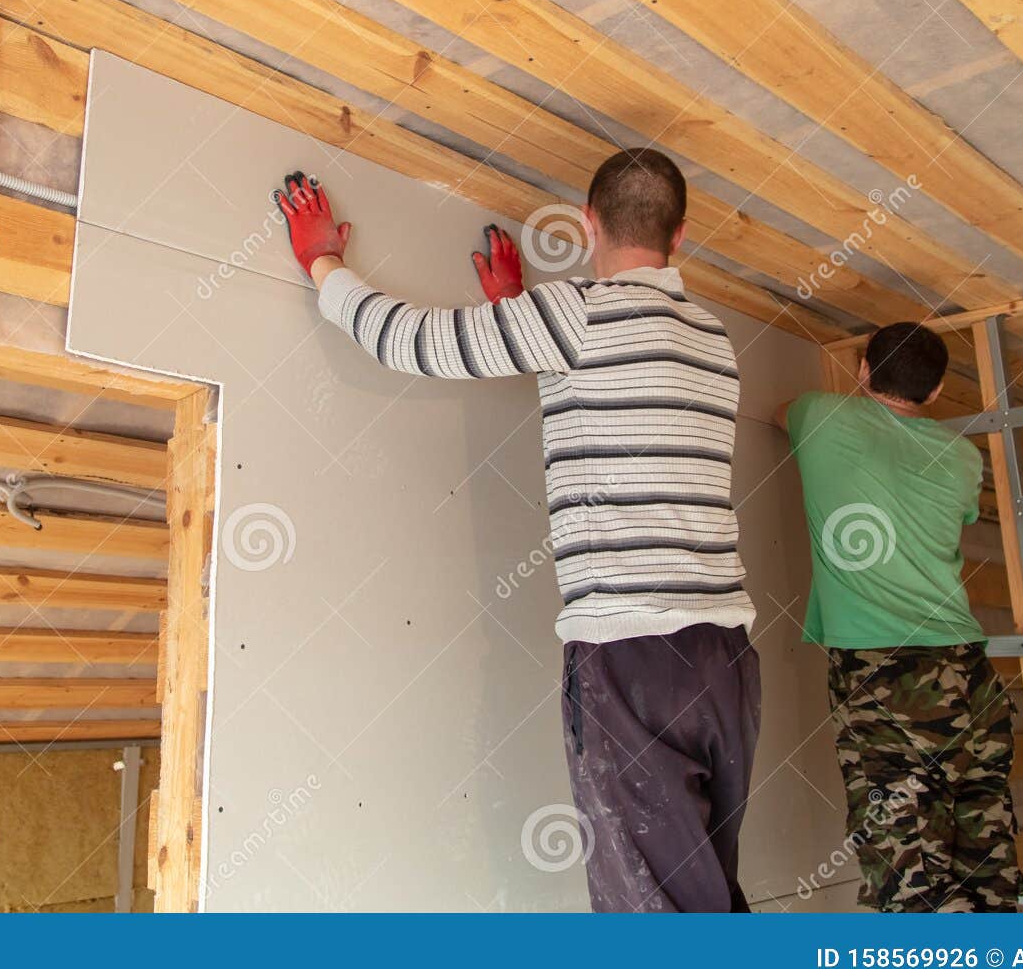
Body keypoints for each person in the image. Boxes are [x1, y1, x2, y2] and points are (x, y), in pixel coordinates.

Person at [276, 148, 760, 912]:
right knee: (702, 890)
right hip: (724, 659)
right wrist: (517, 317)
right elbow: (620, 400)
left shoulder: (574, 315)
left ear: (589, 222)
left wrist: (323, 263)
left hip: (632, 656)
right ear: (682, 236)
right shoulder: (712, 341)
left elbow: (412, 340)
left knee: (658, 916)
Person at [777, 323, 1022, 912]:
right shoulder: (963, 456)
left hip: (885, 673)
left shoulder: (819, 417)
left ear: (863, 370)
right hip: (968, 670)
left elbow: (779, 410)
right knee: (984, 845)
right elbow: (961, 515)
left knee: (904, 860)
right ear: (936, 393)